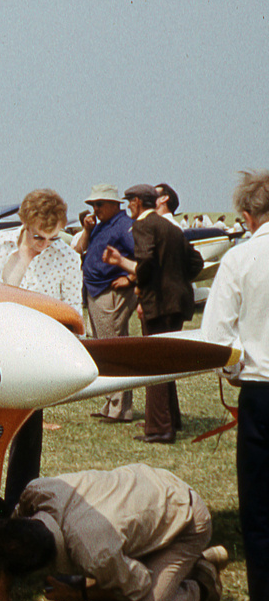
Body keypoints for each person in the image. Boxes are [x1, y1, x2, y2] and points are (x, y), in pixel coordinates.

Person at [0, 465, 226, 601]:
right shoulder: (37, 491)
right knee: (104, 594)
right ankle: (188, 565)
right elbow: (13, 535)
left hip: (186, 522)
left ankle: (203, 582)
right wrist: (2, 592)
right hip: (153, 488)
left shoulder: (95, 553)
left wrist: (80, 595)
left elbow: (140, 584)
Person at [0, 189, 81, 503]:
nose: (46, 245)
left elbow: (73, 311)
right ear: (24, 224)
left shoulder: (67, 258)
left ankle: (19, 506)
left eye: (53, 238)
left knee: (28, 437)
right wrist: (23, 256)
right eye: (38, 237)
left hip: (36, 357)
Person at [201, 170, 269, 601]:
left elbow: (216, 339)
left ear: (247, 217)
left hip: (262, 394)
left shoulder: (241, 258)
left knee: (262, 517)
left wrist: (234, 371)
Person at [103, 184, 198, 443]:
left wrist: (139, 286)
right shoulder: (171, 227)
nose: (127, 207)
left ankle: (159, 429)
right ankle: (171, 420)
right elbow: (196, 263)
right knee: (166, 363)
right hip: (177, 302)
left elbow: (145, 264)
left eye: (129, 201)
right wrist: (174, 279)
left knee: (154, 365)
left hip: (159, 303)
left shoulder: (144, 226)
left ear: (137, 202)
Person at [80, 183, 136, 423]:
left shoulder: (124, 226)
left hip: (109, 292)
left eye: (99, 204)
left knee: (114, 346)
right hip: (96, 290)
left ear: (115, 205)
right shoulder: (101, 226)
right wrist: (87, 230)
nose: (96, 208)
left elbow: (143, 254)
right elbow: (81, 248)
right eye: (93, 204)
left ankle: (120, 408)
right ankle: (112, 403)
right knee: (105, 346)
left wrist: (131, 277)